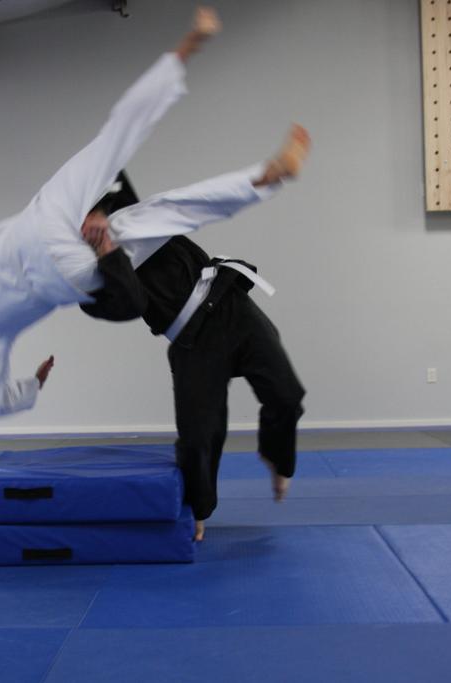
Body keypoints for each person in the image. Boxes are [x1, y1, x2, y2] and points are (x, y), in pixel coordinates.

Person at [0, 7, 222, 416]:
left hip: (62, 269)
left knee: (154, 226)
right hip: (43, 225)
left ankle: (251, 181)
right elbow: (26, 221)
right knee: (115, 141)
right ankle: (189, 46)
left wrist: (33, 384)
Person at [78, 126, 311, 541]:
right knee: (199, 438)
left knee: (286, 394)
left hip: (230, 306)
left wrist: (100, 208)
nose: (93, 228)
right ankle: (198, 508)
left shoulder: (134, 216)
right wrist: (107, 256)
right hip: (191, 341)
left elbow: (123, 177)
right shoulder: (88, 276)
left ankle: (278, 457)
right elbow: (130, 305)